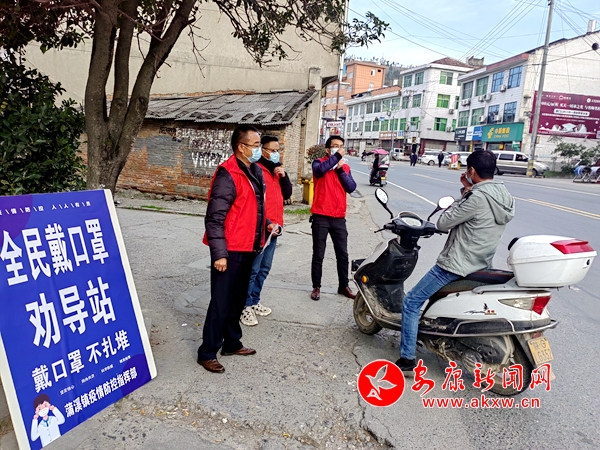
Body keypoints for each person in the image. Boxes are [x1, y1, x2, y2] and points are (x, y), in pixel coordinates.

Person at [395, 150, 515, 374]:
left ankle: (407, 358)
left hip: (456, 265)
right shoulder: (504, 196)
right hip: (482, 263)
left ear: (471, 171)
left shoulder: (476, 197)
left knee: (411, 302)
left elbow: (443, 223)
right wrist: (469, 189)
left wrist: (465, 193)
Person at [197, 125, 276, 373]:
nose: (260, 150)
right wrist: (219, 253)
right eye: (256, 145)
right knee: (221, 303)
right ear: (241, 147)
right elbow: (215, 218)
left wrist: (267, 224)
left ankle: (231, 343)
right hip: (230, 249)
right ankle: (207, 352)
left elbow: (254, 208)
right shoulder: (228, 174)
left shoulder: (254, 170)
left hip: (249, 246)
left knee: (238, 300)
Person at [241, 135, 292, 326]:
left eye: (278, 150)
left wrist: (284, 176)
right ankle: (244, 305)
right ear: (262, 151)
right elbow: (254, 201)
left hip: (275, 228)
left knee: (264, 268)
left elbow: (287, 194)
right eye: (272, 150)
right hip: (261, 226)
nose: (276, 153)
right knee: (253, 269)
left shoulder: (276, 170)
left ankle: (254, 300)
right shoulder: (256, 169)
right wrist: (267, 222)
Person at [310, 135, 357, 301]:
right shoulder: (318, 163)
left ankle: (343, 285)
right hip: (321, 216)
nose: (339, 148)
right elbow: (319, 171)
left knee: (343, 254)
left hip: (338, 217)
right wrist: (336, 158)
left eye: (341, 146)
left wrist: (340, 170)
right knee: (318, 254)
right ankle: (316, 286)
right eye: (335, 146)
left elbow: (351, 187)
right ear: (328, 149)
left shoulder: (345, 167)